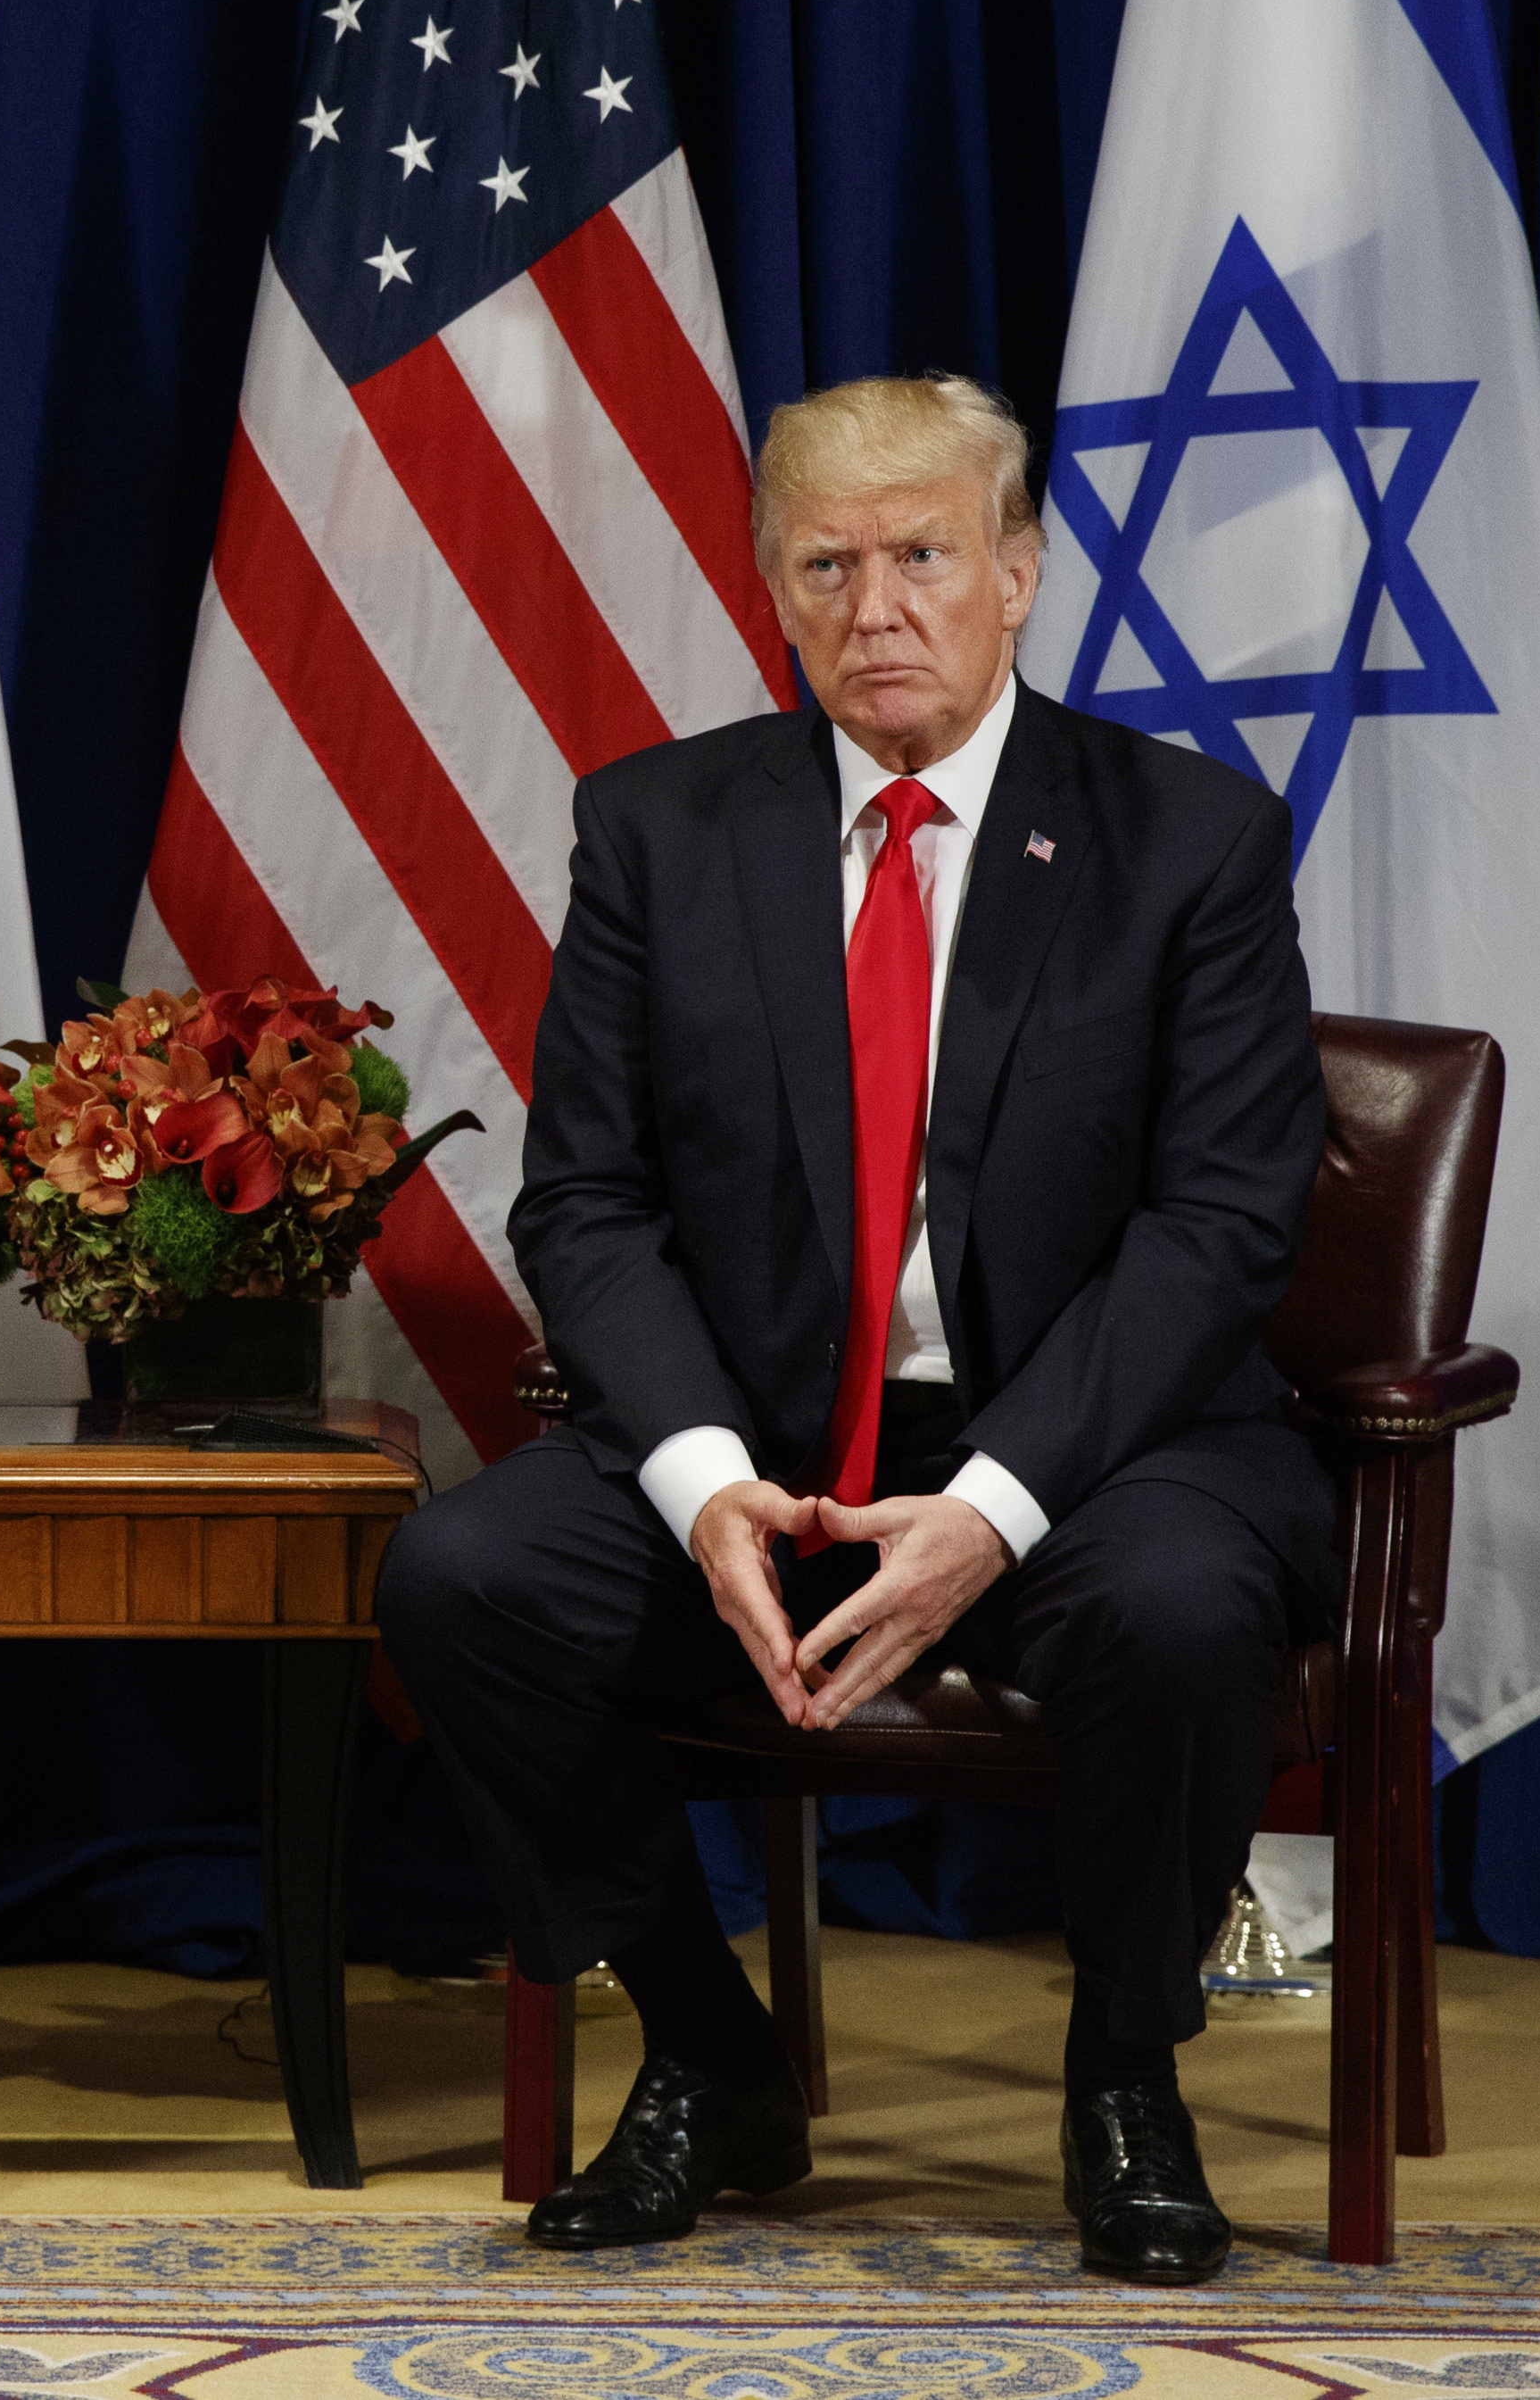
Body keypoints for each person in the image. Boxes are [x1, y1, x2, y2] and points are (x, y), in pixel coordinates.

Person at [376, 372, 1328, 2284]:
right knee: (462, 1574)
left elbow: (1219, 1223)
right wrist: (705, 1481)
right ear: (772, 585)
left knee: (1177, 1610)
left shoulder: (1185, 839)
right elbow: (585, 1198)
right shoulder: (654, 827)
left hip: (1089, 1446)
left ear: (1017, 569)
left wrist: (987, 1502)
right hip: (772, 1442)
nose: (874, 604)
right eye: (825, 563)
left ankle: (1123, 2070)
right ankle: (706, 2043)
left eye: (918, 554)